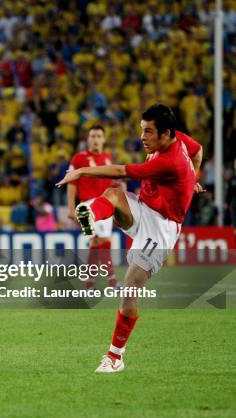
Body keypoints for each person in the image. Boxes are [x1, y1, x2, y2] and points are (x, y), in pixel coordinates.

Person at [56, 104, 203, 373]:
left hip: (161, 229)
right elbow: (199, 150)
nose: (142, 137)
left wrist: (81, 172)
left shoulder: (168, 161)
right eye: (141, 130)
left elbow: (122, 170)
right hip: (144, 209)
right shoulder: (180, 139)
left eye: (148, 132)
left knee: (131, 286)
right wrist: (193, 178)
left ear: (165, 134)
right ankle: (90, 211)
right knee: (113, 194)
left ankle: (115, 356)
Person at [67, 125, 118, 288]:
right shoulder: (79, 158)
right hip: (86, 206)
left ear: (103, 139)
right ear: (88, 139)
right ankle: (112, 282)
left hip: (105, 205)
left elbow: (110, 184)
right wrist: (70, 208)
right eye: (92, 136)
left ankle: (89, 284)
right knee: (104, 241)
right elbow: (71, 184)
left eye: (98, 136)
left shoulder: (108, 158)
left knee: (97, 244)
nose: (95, 139)